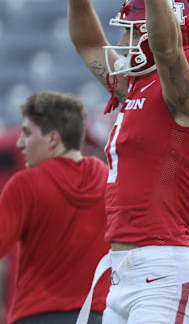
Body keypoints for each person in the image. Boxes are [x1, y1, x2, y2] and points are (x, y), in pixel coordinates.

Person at [55, 0, 189, 324]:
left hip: (162, 268)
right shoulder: (135, 83)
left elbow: (169, 57)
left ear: (164, 26)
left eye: (132, 32)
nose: (122, 43)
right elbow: (88, 45)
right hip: (117, 264)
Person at [0, 91, 109, 324]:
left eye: (27, 134)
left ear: (52, 139)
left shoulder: (24, 184)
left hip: (36, 315)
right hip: (98, 316)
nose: (20, 143)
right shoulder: (110, 182)